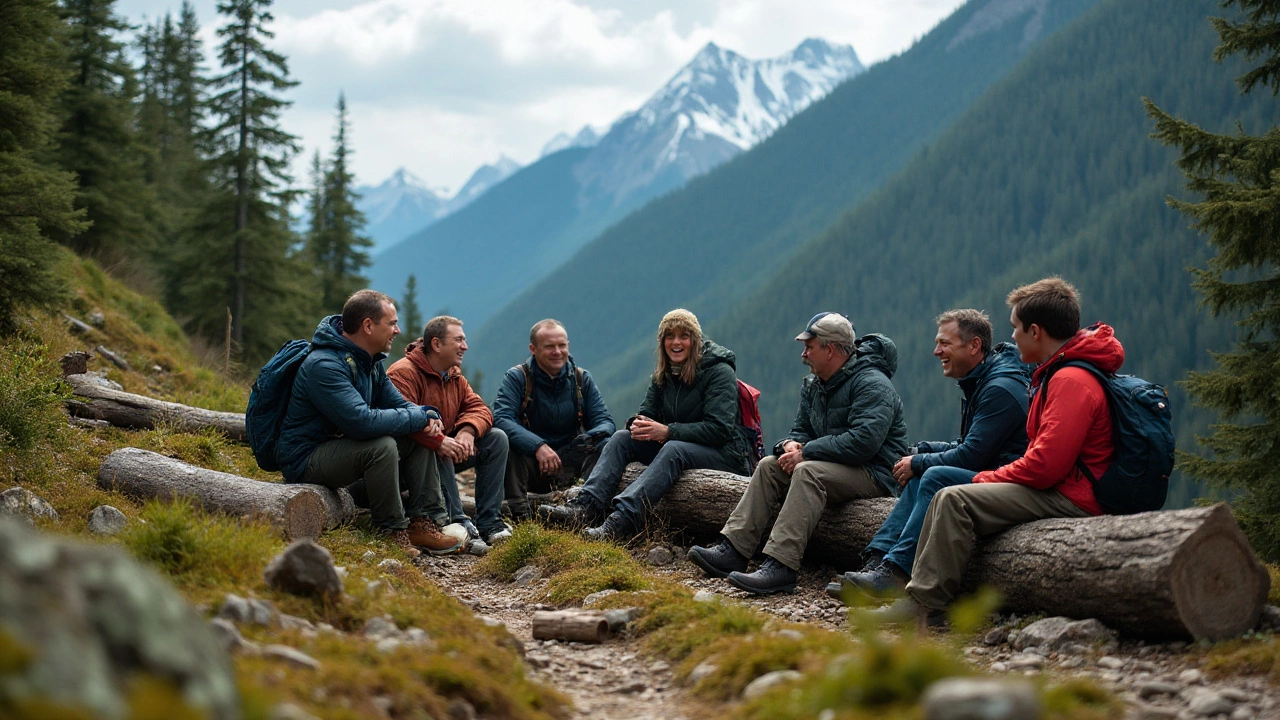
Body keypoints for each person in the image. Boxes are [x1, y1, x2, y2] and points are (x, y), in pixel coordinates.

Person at [873, 277, 1116, 626]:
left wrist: (990, 478)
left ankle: (926, 604)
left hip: (1074, 496)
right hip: (1065, 485)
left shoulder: (1070, 381)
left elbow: (1044, 467)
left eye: (1016, 328)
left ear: (1035, 332)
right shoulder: (1057, 373)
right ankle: (897, 573)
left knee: (952, 496)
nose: (1012, 336)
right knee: (947, 487)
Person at [687, 312, 909, 594]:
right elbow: (801, 430)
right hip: (835, 465)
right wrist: (789, 445)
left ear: (829, 349)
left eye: (810, 346)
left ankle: (781, 566)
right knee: (769, 465)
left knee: (807, 471)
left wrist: (807, 452)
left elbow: (863, 443)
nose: (804, 353)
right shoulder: (816, 385)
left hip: (875, 472)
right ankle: (734, 549)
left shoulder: (872, 384)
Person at [828, 309, 1030, 599]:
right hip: (994, 470)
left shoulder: (999, 388)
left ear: (974, 346)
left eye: (945, 344)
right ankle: (878, 562)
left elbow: (971, 456)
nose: (937, 351)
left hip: (1011, 483)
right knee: (922, 472)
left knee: (933, 475)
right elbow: (972, 444)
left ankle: (896, 572)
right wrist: (922, 450)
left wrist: (920, 461)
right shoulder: (985, 380)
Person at [537, 309, 750, 542]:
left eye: (683, 336)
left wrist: (668, 431)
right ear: (662, 342)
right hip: (682, 445)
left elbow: (719, 429)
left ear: (695, 341)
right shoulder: (664, 373)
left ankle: (621, 522)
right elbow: (647, 413)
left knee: (673, 448)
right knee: (621, 439)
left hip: (725, 453)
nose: (676, 342)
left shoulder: (719, 371)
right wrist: (638, 425)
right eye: (669, 336)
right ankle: (587, 508)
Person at [276, 290, 462, 558]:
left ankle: (424, 522)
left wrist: (425, 417)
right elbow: (361, 422)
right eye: (392, 324)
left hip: (341, 451)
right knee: (382, 445)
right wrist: (420, 417)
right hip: (306, 459)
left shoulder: (369, 363)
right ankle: (391, 530)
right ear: (368, 326)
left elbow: (398, 404)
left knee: (415, 434)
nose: (398, 330)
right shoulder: (324, 365)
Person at [386, 316, 511, 550]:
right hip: (408, 465)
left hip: (446, 453)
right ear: (436, 344)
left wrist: (467, 431)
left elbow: (480, 408)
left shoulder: (453, 375)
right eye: (459, 340)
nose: (465, 346)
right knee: (437, 447)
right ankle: (457, 523)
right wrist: (440, 441)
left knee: (496, 439)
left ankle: (489, 524)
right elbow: (399, 419)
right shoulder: (403, 373)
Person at [492, 319, 616, 522]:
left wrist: (590, 437)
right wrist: (537, 446)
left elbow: (605, 421)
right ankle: (520, 514)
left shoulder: (581, 379)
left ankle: (587, 509)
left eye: (562, 345)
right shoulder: (518, 378)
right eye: (549, 346)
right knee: (506, 441)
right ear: (533, 349)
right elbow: (502, 418)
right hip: (532, 465)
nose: (557, 352)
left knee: (605, 444)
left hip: (570, 461)